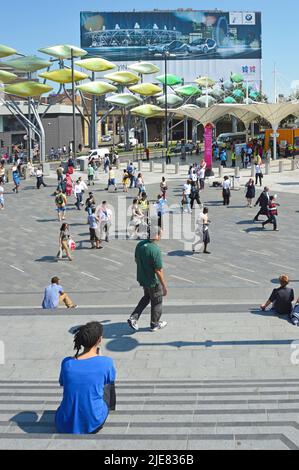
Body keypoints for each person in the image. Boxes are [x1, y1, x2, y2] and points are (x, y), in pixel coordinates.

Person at [55, 321, 116, 434]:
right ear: (100, 340)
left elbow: (63, 383)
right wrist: (100, 358)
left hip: (64, 422)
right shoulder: (106, 362)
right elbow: (109, 380)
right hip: (93, 422)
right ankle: (109, 408)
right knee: (108, 383)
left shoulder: (67, 363)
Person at [127, 226, 168, 332]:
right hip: (153, 281)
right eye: (160, 234)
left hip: (143, 278)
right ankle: (154, 324)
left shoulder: (139, 245)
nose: (161, 236)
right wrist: (164, 286)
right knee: (157, 301)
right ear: (156, 235)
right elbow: (158, 270)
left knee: (147, 297)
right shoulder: (155, 250)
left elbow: (136, 260)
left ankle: (133, 318)